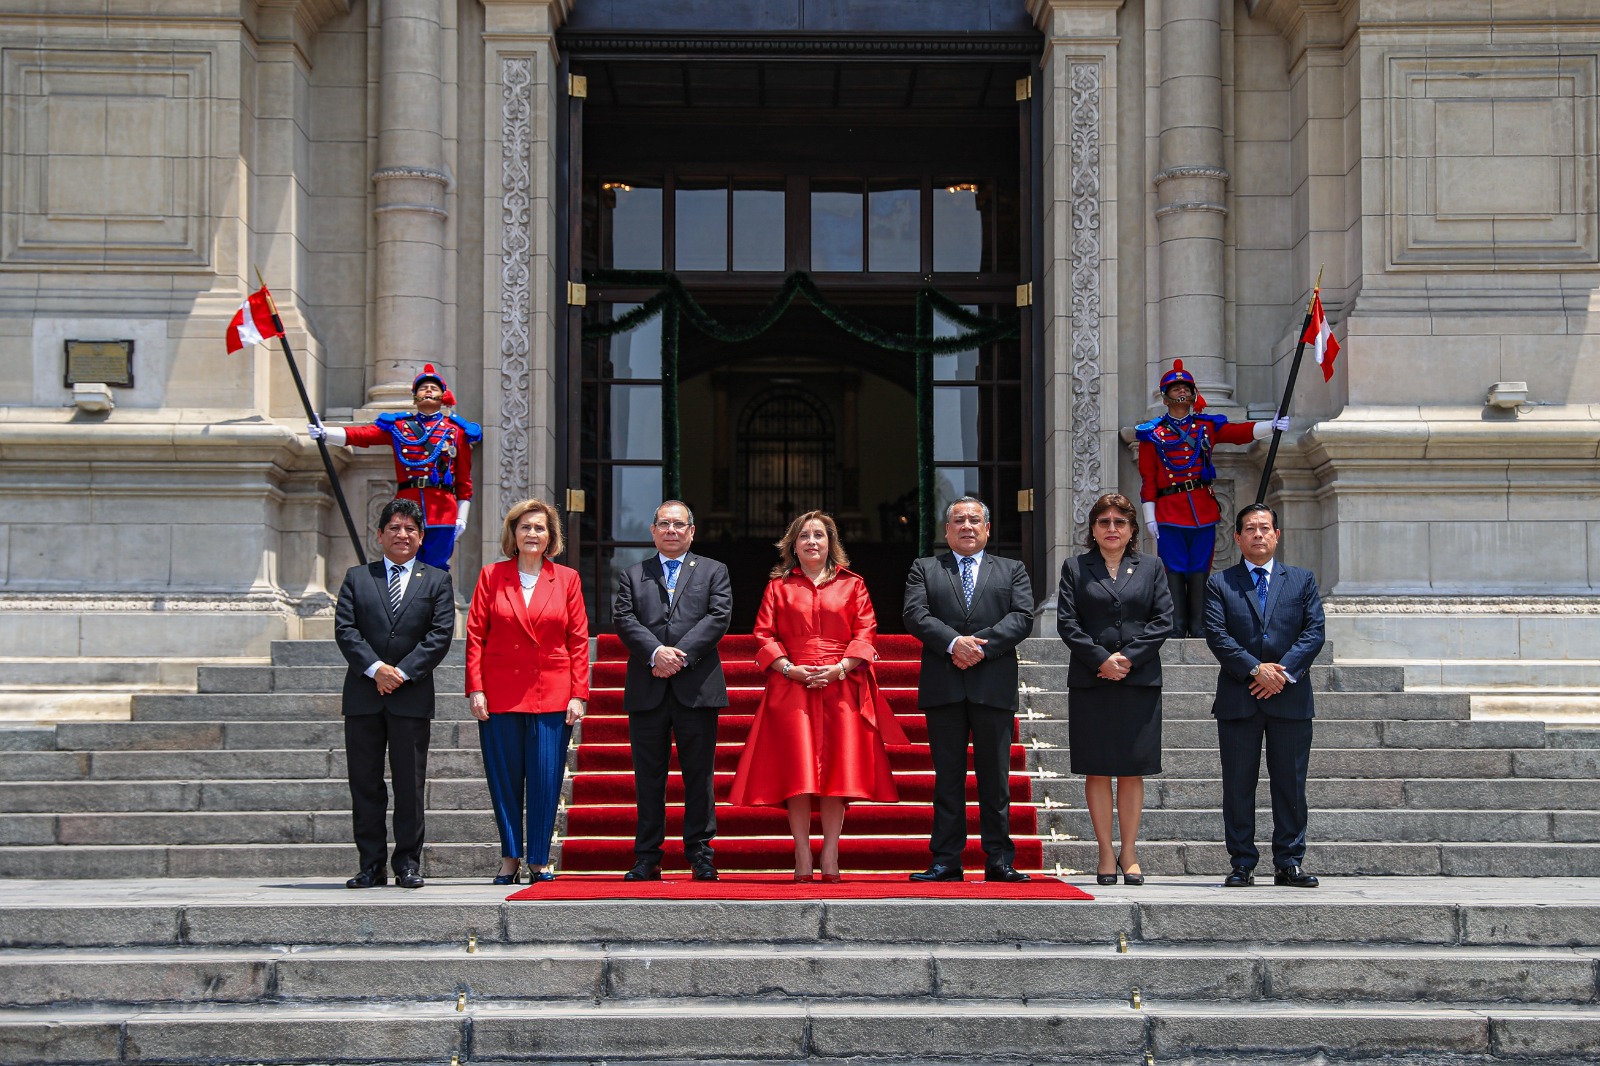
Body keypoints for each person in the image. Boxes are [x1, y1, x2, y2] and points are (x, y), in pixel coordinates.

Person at [728, 511, 908, 882]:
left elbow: (866, 630)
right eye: (804, 536)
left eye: (819, 536)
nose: (812, 542)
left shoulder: (853, 585)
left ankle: (829, 852)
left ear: (831, 543)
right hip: (790, 684)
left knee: (837, 774)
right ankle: (800, 852)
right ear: (793, 545)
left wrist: (841, 668)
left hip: (842, 684)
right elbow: (763, 634)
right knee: (797, 772)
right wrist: (788, 669)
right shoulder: (778, 586)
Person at [902, 496, 1035, 883]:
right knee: (948, 779)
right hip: (944, 685)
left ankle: (999, 860)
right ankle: (946, 860)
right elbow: (915, 614)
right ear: (947, 530)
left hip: (992, 683)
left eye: (974, 519)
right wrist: (953, 643)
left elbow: (1023, 616)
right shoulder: (925, 568)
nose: (967, 526)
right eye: (958, 520)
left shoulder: (1012, 569)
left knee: (996, 780)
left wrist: (977, 647)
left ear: (987, 528)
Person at [333, 497, 457, 889]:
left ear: (421, 537)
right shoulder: (357, 577)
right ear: (380, 535)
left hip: (410, 696)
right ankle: (370, 865)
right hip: (364, 695)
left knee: (409, 783)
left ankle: (408, 863)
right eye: (394, 528)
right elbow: (346, 630)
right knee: (365, 782)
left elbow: (439, 636)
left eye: (410, 529)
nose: (402, 535)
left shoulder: (436, 580)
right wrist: (376, 669)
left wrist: (400, 673)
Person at [464, 498, 589, 885]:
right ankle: (510, 857)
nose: (532, 534)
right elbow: (475, 637)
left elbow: (578, 640)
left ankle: (538, 859)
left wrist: (578, 694)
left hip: (551, 691)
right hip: (500, 692)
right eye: (525, 527)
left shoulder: (566, 579)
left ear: (550, 536)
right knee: (504, 779)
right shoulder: (491, 576)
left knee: (546, 778)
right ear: (513, 535)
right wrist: (476, 688)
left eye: (539, 528)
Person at [1204, 503, 1326, 889]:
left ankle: (1289, 862)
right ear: (1237, 538)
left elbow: (1313, 632)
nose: (1258, 535)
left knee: (1290, 783)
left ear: (1277, 535)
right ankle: (1242, 863)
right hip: (1240, 697)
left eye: (1265, 528)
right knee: (1238, 784)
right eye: (1250, 529)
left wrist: (1282, 673)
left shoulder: (1302, 581)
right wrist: (1256, 669)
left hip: (1289, 698)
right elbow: (1217, 635)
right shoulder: (1220, 583)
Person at [1056, 492, 1174, 886]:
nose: (1111, 529)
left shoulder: (1153, 567)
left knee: (1131, 770)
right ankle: (1105, 851)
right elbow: (1068, 623)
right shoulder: (1075, 568)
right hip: (1092, 680)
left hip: (1138, 680)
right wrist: (1101, 660)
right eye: (1104, 522)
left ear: (1131, 530)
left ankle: (1129, 851)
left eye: (1119, 523)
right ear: (1092, 529)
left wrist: (1128, 658)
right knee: (1097, 768)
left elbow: (1163, 620)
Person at [612, 500, 733, 882]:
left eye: (679, 525)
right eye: (663, 523)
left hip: (696, 688)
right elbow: (624, 618)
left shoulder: (714, 571)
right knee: (649, 778)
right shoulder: (633, 574)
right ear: (652, 530)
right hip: (648, 689)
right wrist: (655, 652)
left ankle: (700, 854)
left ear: (691, 531)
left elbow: (719, 616)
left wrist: (679, 656)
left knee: (699, 776)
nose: (671, 531)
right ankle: (647, 856)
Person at [1136, 359, 1288, 637]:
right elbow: (1148, 478)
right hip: (1169, 510)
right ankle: (1176, 623)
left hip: (1201, 508)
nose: (1180, 392)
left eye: (1185, 388)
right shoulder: (1152, 435)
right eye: (1175, 388)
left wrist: (1271, 425)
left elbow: (1238, 433)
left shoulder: (1204, 427)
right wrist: (1149, 514)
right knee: (1174, 568)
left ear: (1194, 395)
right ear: (1164, 396)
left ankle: (1198, 624)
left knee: (1199, 568)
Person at [309, 364, 482, 570]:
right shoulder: (400, 427)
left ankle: (434, 603)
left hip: (442, 510)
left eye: (433, 388)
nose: (428, 390)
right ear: (415, 396)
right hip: (406, 507)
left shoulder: (457, 432)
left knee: (436, 568)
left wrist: (462, 517)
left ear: (443, 396)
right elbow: (364, 435)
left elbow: (464, 482)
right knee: (403, 563)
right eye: (423, 387)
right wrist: (326, 433)